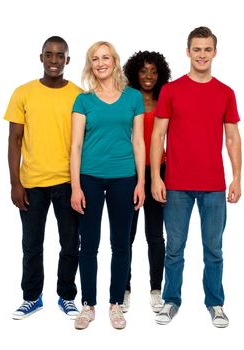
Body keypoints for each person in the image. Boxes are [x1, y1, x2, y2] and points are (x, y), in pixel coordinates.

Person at [150, 26, 241, 328]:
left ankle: (215, 303)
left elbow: (232, 138)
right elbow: (157, 135)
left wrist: (237, 177)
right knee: (174, 249)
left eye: (207, 49)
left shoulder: (225, 92)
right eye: (197, 49)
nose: (202, 54)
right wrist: (156, 178)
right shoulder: (171, 90)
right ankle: (171, 300)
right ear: (188, 52)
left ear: (214, 52)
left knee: (214, 249)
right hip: (176, 185)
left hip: (214, 186)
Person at [4, 36, 82, 320]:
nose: (54, 60)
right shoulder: (23, 93)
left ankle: (66, 296)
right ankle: (32, 297)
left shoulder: (78, 95)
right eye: (49, 54)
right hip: (32, 183)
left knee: (71, 243)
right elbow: (14, 140)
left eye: (60, 55)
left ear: (67, 60)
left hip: (67, 182)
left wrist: (79, 183)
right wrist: (15, 182)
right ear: (41, 58)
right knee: (31, 244)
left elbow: (83, 142)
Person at [70, 41, 145, 330]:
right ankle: (88, 305)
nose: (100, 62)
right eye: (94, 59)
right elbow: (75, 146)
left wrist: (140, 181)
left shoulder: (133, 97)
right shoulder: (83, 100)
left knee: (121, 243)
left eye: (105, 57)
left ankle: (116, 304)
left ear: (114, 61)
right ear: (91, 65)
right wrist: (76, 186)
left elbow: (138, 141)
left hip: (124, 177)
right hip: (89, 176)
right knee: (88, 243)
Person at [122, 51, 171, 312]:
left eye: (153, 71)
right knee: (126, 235)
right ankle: (125, 287)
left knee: (155, 234)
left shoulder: (165, 99)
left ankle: (156, 288)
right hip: (128, 172)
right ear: (134, 73)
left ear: (160, 73)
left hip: (160, 172)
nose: (149, 76)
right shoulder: (127, 98)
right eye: (143, 71)